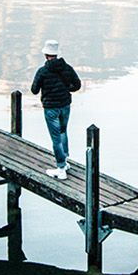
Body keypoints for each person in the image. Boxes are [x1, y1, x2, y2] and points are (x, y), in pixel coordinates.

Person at [30, 40, 81, 179]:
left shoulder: (42, 71)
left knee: (56, 138)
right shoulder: (67, 68)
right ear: (57, 54)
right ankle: (65, 160)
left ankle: (61, 168)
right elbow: (77, 85)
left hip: (51, 108)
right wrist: (66, 89)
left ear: (46, 55)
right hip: (65, 105)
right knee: (63, 131)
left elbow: (34, 90)